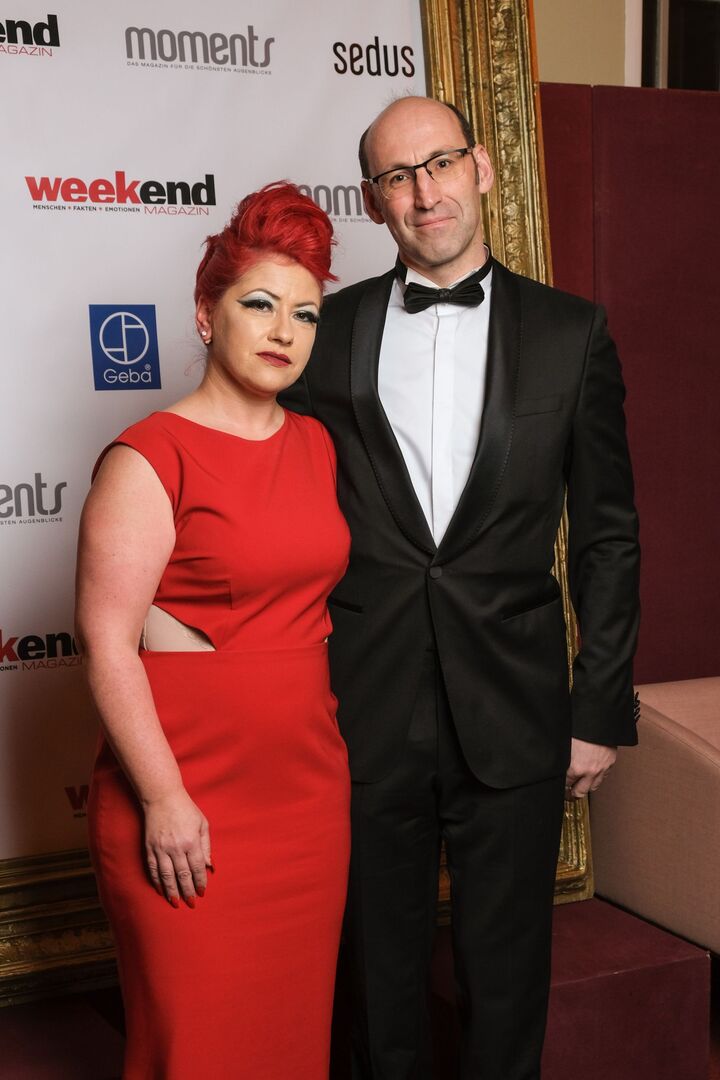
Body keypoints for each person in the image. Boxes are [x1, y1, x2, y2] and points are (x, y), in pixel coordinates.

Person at [280, 97, 640, 1079]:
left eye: (439, 164)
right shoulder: (325, 331)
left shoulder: (572, 332)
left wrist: (599, 708)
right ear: (372, 201)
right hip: (363, 699)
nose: (423, 192)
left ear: (481, 168)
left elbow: (608, 535)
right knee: (374, 977)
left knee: (506, 978)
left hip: (517, 704)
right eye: (396, 177)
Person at [75, 182, 351, 1079]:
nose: (283, 332)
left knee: (291, 1045)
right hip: (186, 794)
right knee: (196, 1049)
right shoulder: (149, 456)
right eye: (259, 305)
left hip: (305, 797)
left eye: (304, 315)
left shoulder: (317, 445)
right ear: (205, 315)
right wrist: (162, 797)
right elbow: (108, 642)